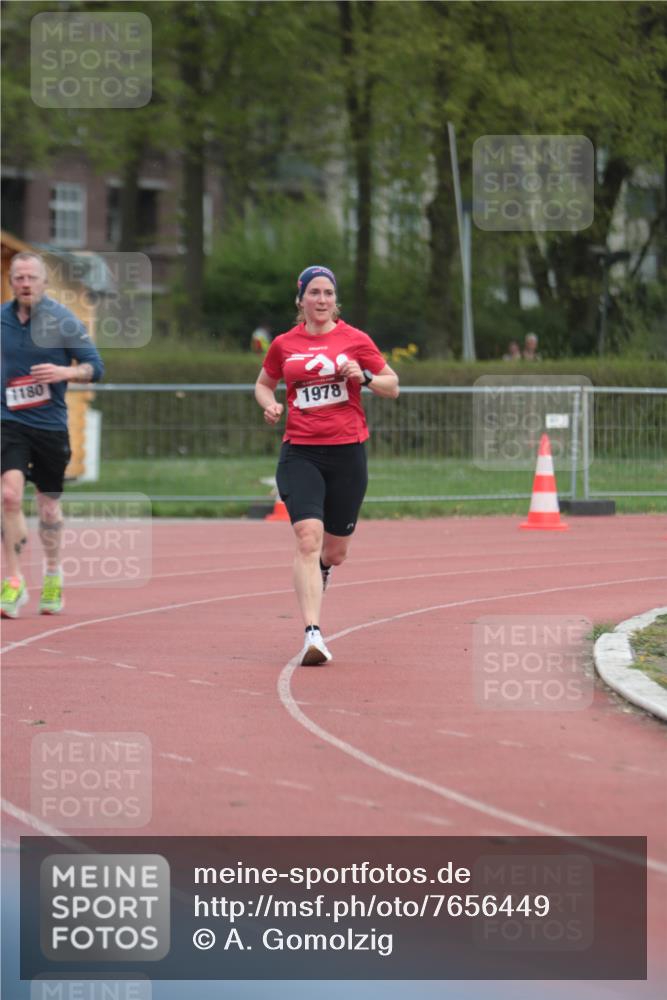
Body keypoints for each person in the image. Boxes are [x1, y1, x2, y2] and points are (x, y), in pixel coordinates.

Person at [255, 265, 399, 666]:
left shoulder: (355, 339)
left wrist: (366, 376)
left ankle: (322, 570)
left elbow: (393, 385)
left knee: (333, 553)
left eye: (328, 293)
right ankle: (312, 634)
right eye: (314, 293)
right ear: (300, 300)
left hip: (347, 453)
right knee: (307, 537)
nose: (321, 300)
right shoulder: (284, 344)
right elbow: (264, 383)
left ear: (336, 301)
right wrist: (270, 404)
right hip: (300, 452)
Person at [1, 252, 105, 618]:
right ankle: (13, 582)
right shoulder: (1, 320)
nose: (25, 283)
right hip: (8, 422)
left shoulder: (62, 320)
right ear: (12, 282)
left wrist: (65, 373)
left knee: (47, 504)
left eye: (31, 277)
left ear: (44, 282)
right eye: (19, 278)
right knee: (9, 496)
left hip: (49, 425)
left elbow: (96, 367)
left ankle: (52, 573)